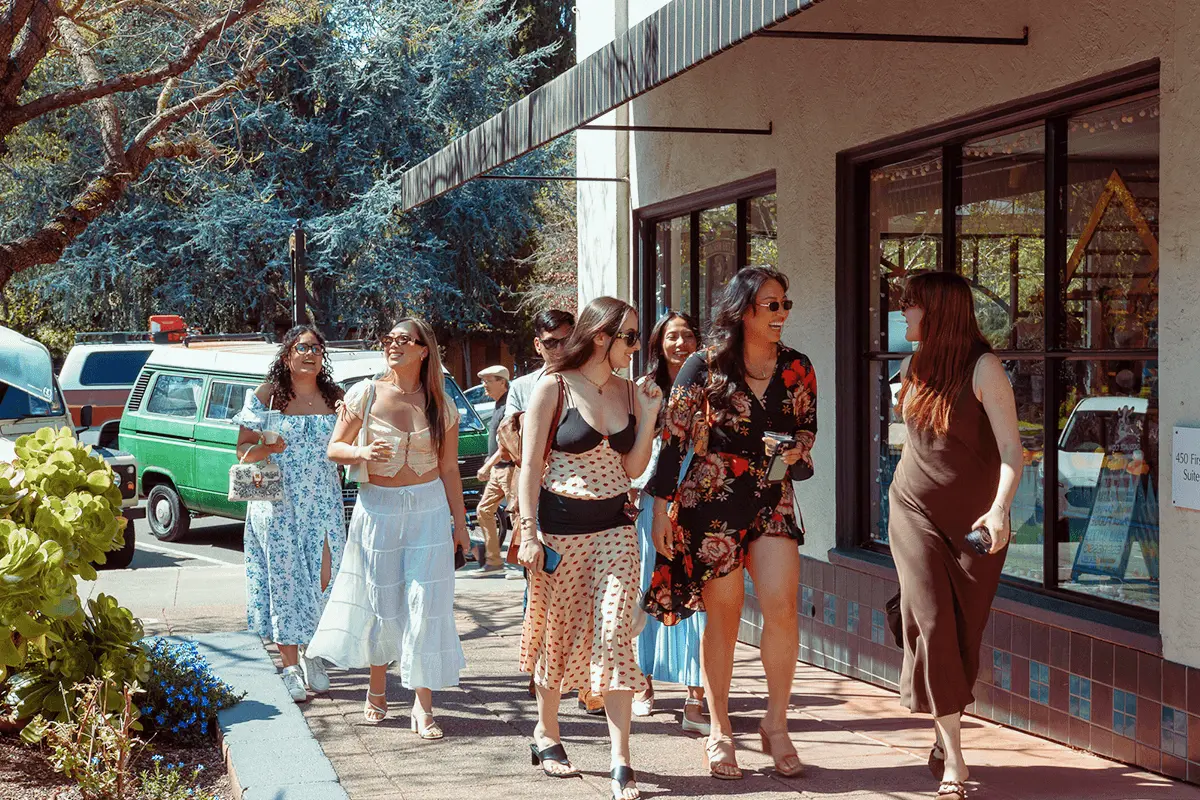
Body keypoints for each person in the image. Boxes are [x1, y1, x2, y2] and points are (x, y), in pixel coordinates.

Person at [644, 266, 817, 781]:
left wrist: (795, 450)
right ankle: (720, 727)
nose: (782, 313)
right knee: (724, 613)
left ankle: (776, 724)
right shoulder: (704, 364)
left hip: (772, 494)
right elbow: (674, 440)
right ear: (745, 310)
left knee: (783, 607)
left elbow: (807, 430)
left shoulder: (798, 367)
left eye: (786, 304)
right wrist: (660, 508)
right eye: (772, 305)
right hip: (713, 494)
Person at [517, 297, 662, 800]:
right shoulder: (552, 388)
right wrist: (528, 531)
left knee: (616, 628)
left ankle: (622, 760)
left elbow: (632, 470)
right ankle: (547, 733)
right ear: (601, 336)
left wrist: (647, 417)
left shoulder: (627, 391)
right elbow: (530, 468)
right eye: (630, 337)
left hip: (617, 530)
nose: (637, 346)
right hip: (560, 533)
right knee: (557, 636)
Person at [889, 272, 1022, 800]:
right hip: (912, 508)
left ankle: (944, 732)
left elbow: (1013, 451)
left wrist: (999, 512)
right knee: (934, 622)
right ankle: (957, 761)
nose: (903, 313)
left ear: (938, 312)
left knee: (964, 633)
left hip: (975, 522)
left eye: (911, 305)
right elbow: (914, 446)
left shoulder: (984, 368)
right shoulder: (910, 367)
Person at [307, 318, 470, 737]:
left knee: (426, 603)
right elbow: (334, 448)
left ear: (423, 350)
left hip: (429, 509)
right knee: (383, 601)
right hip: (376, 508)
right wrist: (361, 449)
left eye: (403, 340)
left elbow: (450, 467)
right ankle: (377, 687)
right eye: (389, 339)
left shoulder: (441, 403)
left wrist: (461, 522)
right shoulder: (364, 393)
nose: (393, 346)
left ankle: (423, 704)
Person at [233, 325, 346, 703]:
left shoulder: (336, 397)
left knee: (324, 576)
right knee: (284, 581)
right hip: (277, 502)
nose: (310, 354)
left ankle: (314, 652)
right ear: (287, 355)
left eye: (317, 347)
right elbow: (243, 453)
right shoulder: (267, 397)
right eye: (302, 347)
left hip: (325, 503)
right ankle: (290, 667)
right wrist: (270, 448)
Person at [629, 312, 709, 734]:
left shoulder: (715, 385)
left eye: (688, 336)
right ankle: (643, 686)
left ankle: (695, 699)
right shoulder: (645, 391)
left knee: (698, 600)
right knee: (646, 591)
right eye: (672, 337)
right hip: (650, 504)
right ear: (659, 343)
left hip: (700, 504)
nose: (680, 343)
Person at [504, 309, 575, 421]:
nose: (560, 349)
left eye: (567, 341)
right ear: (538, 345)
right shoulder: (521, 388)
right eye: (551, 342)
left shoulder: (589, 384)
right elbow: (507, 434)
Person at [474, 364, 512, 572]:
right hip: (499, 470)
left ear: (502, 383)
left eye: (489, 381)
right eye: (483, 381)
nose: (484, 386)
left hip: (510, 469)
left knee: (518, 515)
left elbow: (507, 444)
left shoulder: (508, 407)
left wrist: (487, 465)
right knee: (484, 510)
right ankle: (494, 561)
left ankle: (520, 563)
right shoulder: (498, 405)